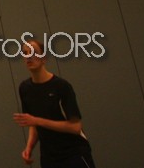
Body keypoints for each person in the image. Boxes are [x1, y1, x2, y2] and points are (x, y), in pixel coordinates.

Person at [13, 38, 95, 168]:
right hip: (49, 158)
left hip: (73, 154)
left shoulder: (61, 86)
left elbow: (75, 127)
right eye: (25, 53)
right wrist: (29, 147)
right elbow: (33, 125)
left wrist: (37, 121)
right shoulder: (25, 88)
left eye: (33, 52)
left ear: (43, 58)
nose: (29, 56)